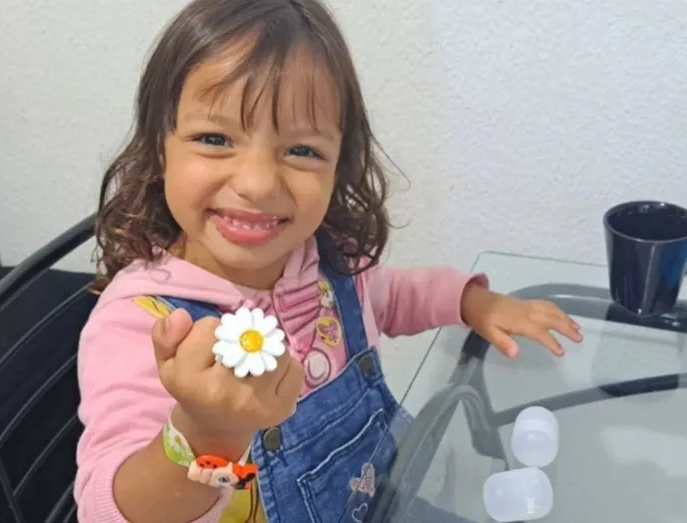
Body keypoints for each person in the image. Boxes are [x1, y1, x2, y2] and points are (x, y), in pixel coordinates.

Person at [74, 0, 583, 522]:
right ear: (161, 149)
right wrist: (204, 433)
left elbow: (391, 295)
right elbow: (103, 511)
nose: (257, 184)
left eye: (301, 150)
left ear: (339, 164)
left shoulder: (323, 260)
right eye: (214, 139)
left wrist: (472, 302)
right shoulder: (142, 323)